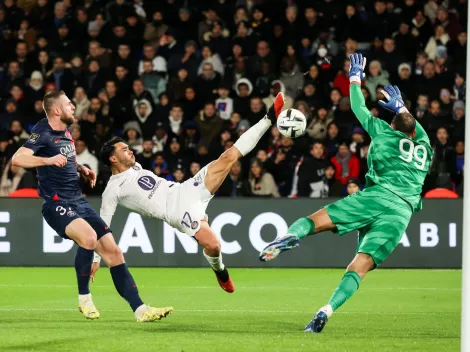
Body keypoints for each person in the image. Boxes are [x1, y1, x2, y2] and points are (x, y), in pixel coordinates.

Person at [259, 54, 433, 333]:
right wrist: (401, 108)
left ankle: (290, 236)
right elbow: (414, 128)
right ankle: (326, 311)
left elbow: (358, 106)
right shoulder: (426, 149)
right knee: (359, 267)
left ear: (392, 126)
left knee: (314, 221)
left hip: (376, 196)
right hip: (401, 214)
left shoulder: (383, 133)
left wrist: (354, 78)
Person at [92, 93, 286, 293]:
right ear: (113, 159)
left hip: (185, 189)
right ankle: (220, 270)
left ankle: (268, 118)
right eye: (124, 150)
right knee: (214, 246)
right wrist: (97, 258)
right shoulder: (112, 190)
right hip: (177, 212)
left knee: (228, 157)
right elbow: (102, 225)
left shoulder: (135, 167)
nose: (130, 150)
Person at [11, 91, 172, 322]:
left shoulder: (66, 130)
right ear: (56, 110)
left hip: (78, 200)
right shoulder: (42, 132)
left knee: (114, 252)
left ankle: (140, 310)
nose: (73, 107)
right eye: (68, 104)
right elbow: (18, 158)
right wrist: (47, 160)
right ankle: (84, 298)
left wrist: (81, 169)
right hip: (57, 203)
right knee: (88, 238)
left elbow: (65, 156)